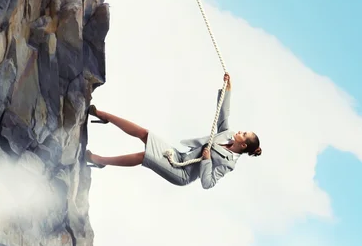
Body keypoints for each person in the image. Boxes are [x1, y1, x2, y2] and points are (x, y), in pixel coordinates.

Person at [85, 73, 262, 189]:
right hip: (179, 156)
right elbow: (223, 114)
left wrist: (207, 160)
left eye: (244, 134)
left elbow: (208, 183)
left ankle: (99, 160)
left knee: (144, 156)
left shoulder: (228, 164)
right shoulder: (227, 135)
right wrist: (227, 88)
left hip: (181, 173)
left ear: (244, 144)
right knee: (145, 133)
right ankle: (103, 115)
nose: (240, 131)